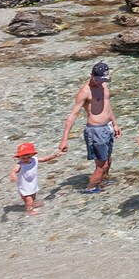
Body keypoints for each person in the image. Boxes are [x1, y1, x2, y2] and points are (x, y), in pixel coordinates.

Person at [57, 62, 119, 192]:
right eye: (98, 79)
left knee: (108, 158)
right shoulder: (85, 92)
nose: (100, 82)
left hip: (107, 128)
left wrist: (114, 124)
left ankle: (103, 181)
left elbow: (107, 106)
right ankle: (90, 189)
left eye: (103, 79)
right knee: (101, 165)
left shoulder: (104, 84)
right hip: (95, 131)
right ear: (91, 75)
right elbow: (73, 115)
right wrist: (64, 139)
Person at [8, 140, 61, 217]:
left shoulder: (35, 160)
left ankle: (33, 204)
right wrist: (13, 175)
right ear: (19, 157)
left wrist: (54, 156)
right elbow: (14, 170)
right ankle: (30, 210)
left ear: (32, 155)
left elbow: (44, 159)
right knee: (29, 201)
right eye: (23, 158)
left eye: (28, 157)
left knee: (33, 197)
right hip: (24, 188)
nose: (26, 159)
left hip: (33, 185)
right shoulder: (19, 165)